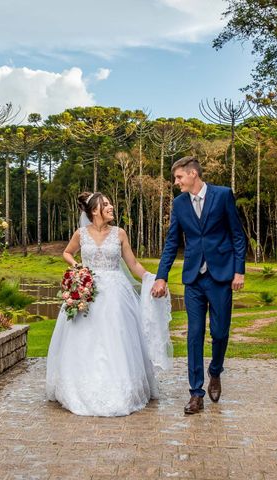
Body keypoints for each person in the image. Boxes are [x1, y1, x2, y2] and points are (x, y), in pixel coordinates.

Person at [45, 192, 171, 416]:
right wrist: (78, 268)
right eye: (105, 204)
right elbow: (67, 252)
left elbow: (132, 264)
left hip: (116, 294)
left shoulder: (119, 233)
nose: (111, 206)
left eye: (110, 203)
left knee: (116, 338)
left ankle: (120, 387)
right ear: (94, 211)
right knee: (84, 339)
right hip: (87, 293)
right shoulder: (81, 234)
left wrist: (153, 279)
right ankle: (80, 384)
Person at [151, 156, 246, 415]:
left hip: (220, 276)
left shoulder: (223, 195)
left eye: (179, 177)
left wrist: (239, 271)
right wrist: (162, 275)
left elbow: (238, 236)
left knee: (220, 332)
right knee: (194, 335)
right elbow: (172, 242)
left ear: (193, 174)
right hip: (193, 278)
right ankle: (196, 393)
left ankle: (215, 371)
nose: (176, 182)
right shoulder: (179, 204)